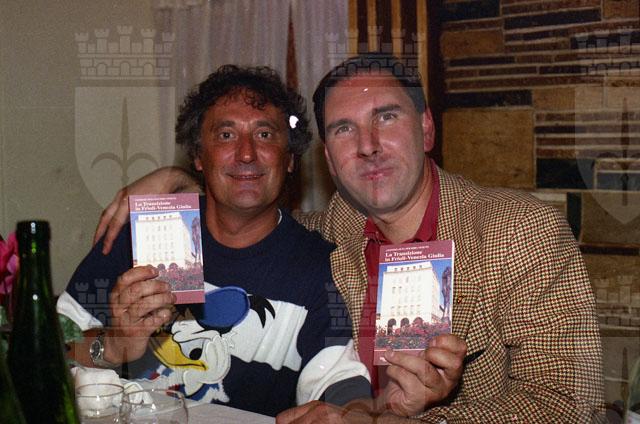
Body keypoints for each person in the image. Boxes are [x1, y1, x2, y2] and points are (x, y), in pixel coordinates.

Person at [93, 54, 605, 422]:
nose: (368, 146)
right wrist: (177, 180)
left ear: (426, 128)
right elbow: (248, 211)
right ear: (329, 162)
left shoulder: (519, 231)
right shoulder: (328, 233)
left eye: (386, 117)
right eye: (343, 129)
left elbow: (569, 404)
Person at [57, 65, 373, 417]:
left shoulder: (318, 268)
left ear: (290, 159)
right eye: (225, 135)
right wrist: (113, 346)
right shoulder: (144, 233)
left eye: (265, 134)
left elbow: (340, 384)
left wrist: (354, 413)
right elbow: (47, 345)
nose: (246, 153)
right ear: (198, 156)